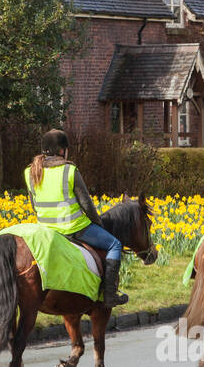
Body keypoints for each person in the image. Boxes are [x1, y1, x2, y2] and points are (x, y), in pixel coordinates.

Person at [23, 129, 127, 306]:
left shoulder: (30, 172)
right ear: (63, 150)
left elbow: (34, 206)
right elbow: (87, 205)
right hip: (74, 228)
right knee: (115, 244)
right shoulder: (69, 170)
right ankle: (110, 296)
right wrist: (99, 223)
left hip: (46, 230)